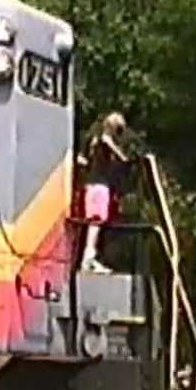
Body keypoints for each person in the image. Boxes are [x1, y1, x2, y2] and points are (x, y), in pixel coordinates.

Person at [77, 112, 131, 274]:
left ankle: (89, 256)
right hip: (100, 185)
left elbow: (82, 159)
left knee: (94, 222)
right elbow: (110, 145)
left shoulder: (92, 141)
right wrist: (123, 157)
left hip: (90, 184)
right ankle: (88, 258)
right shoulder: (104, 140)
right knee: (97, 222)